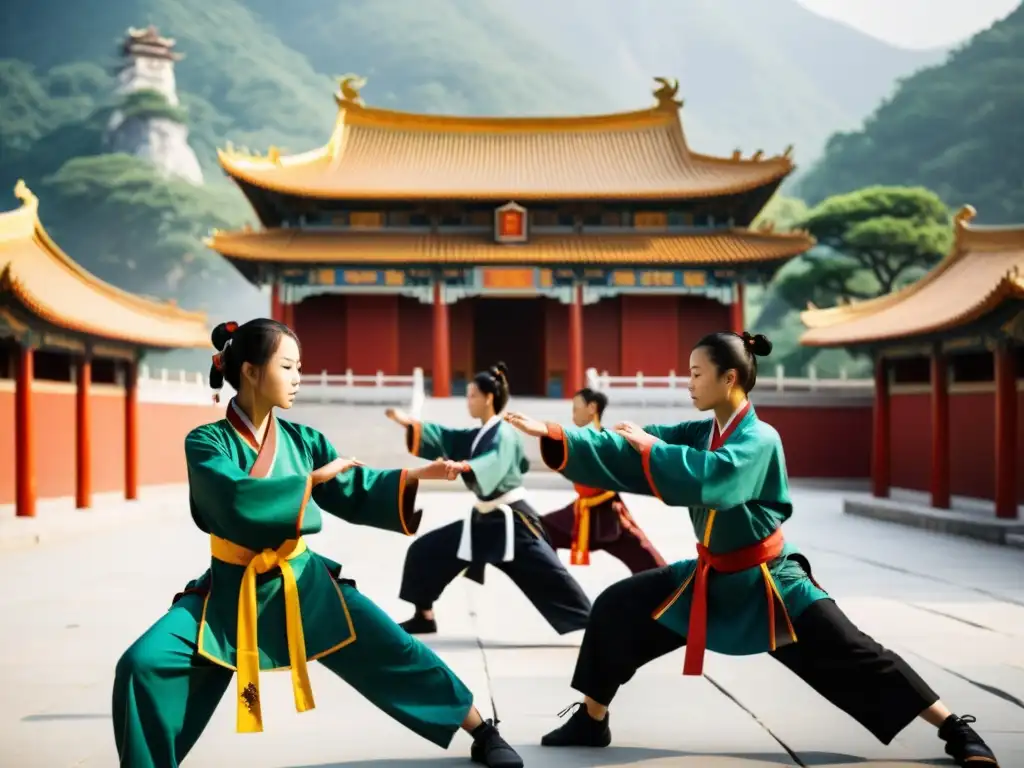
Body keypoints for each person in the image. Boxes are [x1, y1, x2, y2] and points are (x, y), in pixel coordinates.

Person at [504, 330, 1000, 767]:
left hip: (769, 582)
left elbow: (713, 479)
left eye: (698, 373)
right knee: (618, 606)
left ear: (730, 379)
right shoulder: (702, 431)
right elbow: (632, 449)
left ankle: (954, 727)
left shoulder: (761, 438)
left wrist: (653, 450)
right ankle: (592, 719)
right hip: (709, 577)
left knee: (857, 652)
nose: (690, 383)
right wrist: (554, 434)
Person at [112, 319, 523, 768]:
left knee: (395, 648)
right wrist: (309, 482)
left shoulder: (302, 440)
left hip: (304, 583)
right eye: (287, 366)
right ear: (250, 371)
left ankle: (481, 730)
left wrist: (415, 475)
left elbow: (353, 485)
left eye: (299, 367)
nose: (298, 378)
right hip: (232, 592)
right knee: (142, 664)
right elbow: (233, 500)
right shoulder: (206, 442)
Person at [386, 362, 592, 637]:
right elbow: (449, 438)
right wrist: (410, 425)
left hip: (513, 521)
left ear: (489, 398)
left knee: (551, 579)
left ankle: (596, 624)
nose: (467, 401)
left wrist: (467, 467)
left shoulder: (504, 432)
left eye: (472, 395)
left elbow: (493, 461)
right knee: (426, 550)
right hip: (485, 520)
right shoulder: (480, 433)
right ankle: (424, 616)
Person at [539, 387, 666, 573]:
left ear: (592, 408)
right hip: (580, 512)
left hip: (609, 514)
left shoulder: (610, 440)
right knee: (540, 531)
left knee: (652, 565)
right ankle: (558, 586)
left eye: (576, 408)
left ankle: (670, 595)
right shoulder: (575, 440)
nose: (573, 414)